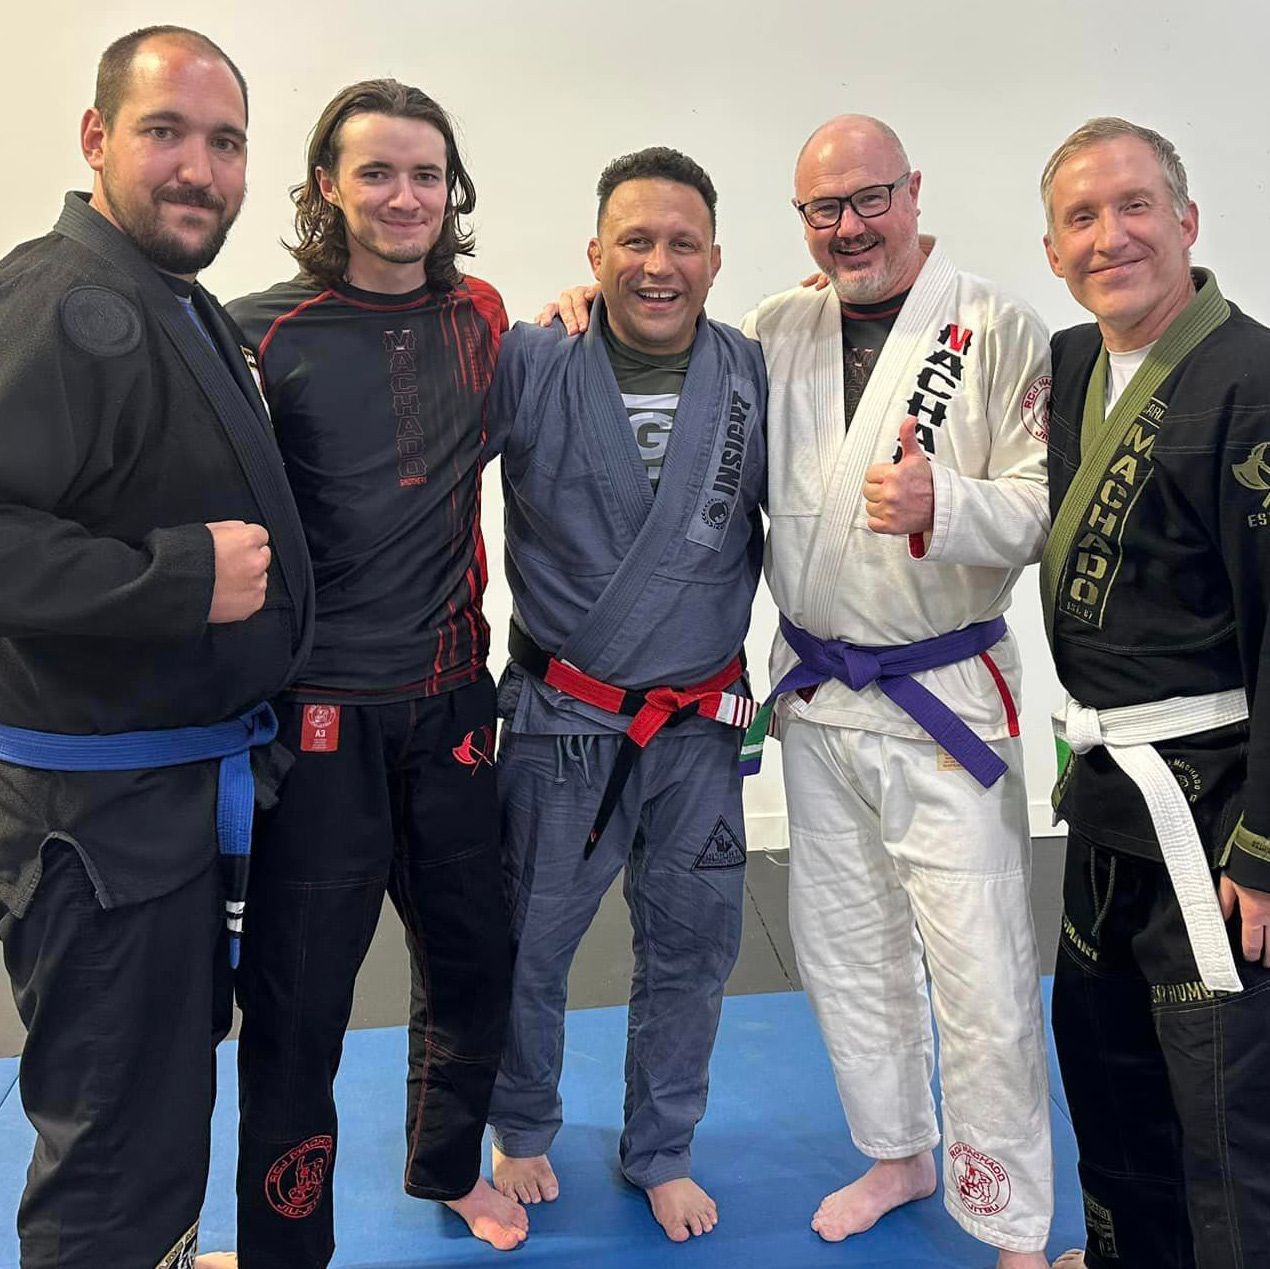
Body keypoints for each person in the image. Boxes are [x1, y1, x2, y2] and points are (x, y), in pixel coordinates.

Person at [546, 116, 1055, 1267]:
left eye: (870, 199)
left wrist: (952, 509)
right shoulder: (776, 327)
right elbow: (666, 351)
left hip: (944, 700)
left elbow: (1037, 503)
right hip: (818, 695)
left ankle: (1009, 1213)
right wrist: (572, 325)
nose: (849, 227)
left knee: (977, 964)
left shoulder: (998, 326)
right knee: (841, 946)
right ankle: (898, 1151)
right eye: (823, 210)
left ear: (914, 191)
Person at [0, 25, 313, 1269]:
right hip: (100, 815)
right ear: (94, 139)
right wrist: (179, 576)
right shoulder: (66, 302)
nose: (199, 168)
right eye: (164, 132)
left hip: (162, 802)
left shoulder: (165, 299)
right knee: (114, 1132)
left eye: (224, 142)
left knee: (165, 1092)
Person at [218, 81, 524, 1267]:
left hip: (452, 703)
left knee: (473, 962)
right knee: (297, 1012)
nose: (405, 197)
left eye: (427, 175)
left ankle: (446, 1168)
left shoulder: (484, 316)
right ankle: (285, 1245)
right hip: (317, 723)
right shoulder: (253, 332)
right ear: (326, 188)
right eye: (378, 173)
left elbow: (609, 341)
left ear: (453, 192)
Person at [483, 146, 767, 1243]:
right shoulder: (531, 361)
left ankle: (661, 1147)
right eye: (634, 242)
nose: (658, 264)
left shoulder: (751, 370)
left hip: (701, 726)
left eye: (681, 243)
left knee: (694, 945)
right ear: (592, 255)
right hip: (562, 720)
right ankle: (520, 1125)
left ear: (713, 258)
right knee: (530, 942)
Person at [1040, 116, 1270, 1269]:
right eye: (1081, 216)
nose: (1110, 236)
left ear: (1186, 221)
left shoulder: (1254, 379)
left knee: (1224, 1098)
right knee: (1102, 1055)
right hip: (1106, 798)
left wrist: (1266, 848)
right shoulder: (1070, 365)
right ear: (1052, 249)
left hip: (1219, 806)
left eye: (1135, 206)